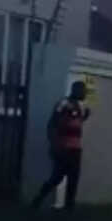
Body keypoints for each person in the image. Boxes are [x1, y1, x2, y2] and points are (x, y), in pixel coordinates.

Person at [30, 80, 91, 213]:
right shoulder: (63, 104)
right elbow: (52, 124)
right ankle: (38, 200)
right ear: (75, 90)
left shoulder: (82, 106)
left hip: (76, 148)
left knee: (74, 178)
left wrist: (85, 113)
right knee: (57, 177)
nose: (85, 94)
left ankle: (69, 208)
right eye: (83, 91)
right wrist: (54, 144)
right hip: (63, 147)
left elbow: (82, 118)